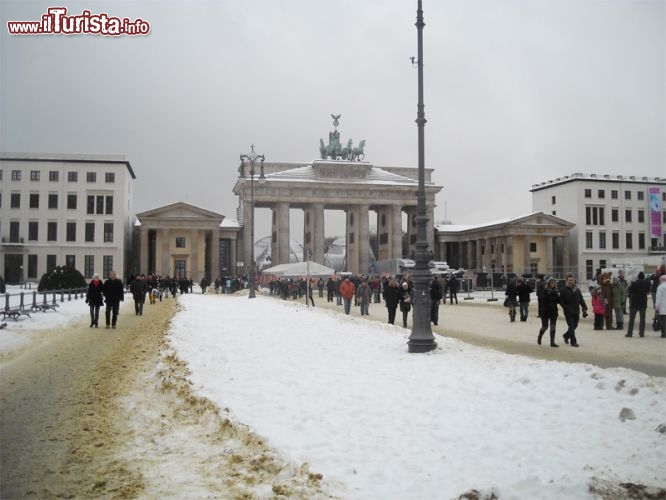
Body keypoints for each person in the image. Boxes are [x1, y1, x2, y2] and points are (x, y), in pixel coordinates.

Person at [559, 274, 587, 347]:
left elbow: (581, 300)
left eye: (572, 280)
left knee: (575, 326)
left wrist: (584, 308)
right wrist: (566, 308)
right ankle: (573, 342)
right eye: (569, 280)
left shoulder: (577, 290)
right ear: (566, 281)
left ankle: (566, 335)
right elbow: (561, 301)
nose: (571, 282)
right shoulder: (563, 290)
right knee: (571, 326)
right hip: (568, 312)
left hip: (576, 311)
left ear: (574, 280)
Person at [626, 271, 651, 338]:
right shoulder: (647, 283)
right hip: (643, 303)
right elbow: (648, 292)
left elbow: (630, 292)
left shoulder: (634, 283)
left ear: (638, 277)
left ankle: (630, 333)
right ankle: (641, 333)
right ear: (643, 277)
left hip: (634, 303)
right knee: (642, 319)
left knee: (632, 319)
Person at [537, 276, 559, 347]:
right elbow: (542, 302)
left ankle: (552, 342)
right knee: (545, 327)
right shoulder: (545, 291)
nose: (553, 283)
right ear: (549, 283)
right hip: (545, 312)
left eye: (554, 282)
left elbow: (558, 300)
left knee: (553, 327)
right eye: (552, 282)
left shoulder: (556, 291)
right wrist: (542, 311)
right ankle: (540, 336)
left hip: (553, 312)